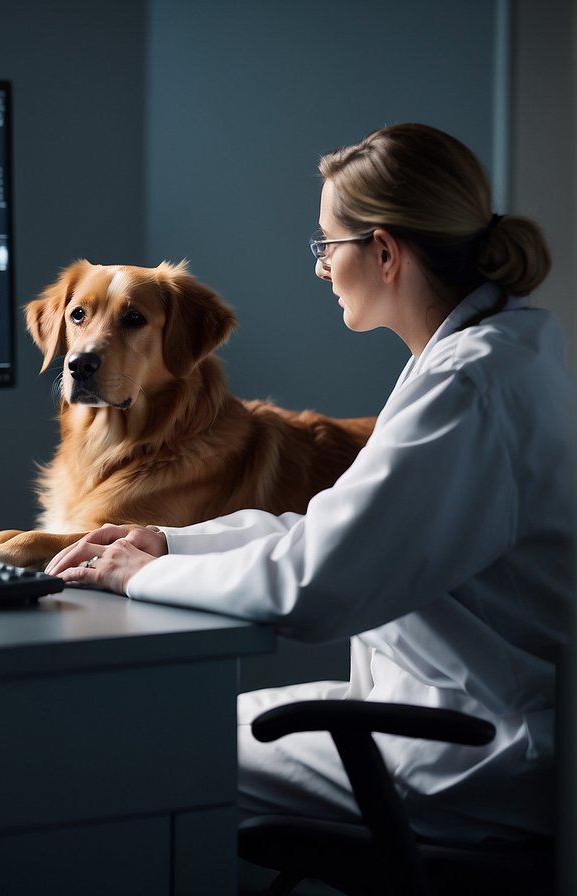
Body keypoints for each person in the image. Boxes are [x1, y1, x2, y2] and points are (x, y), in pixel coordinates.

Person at [47, 122, 573, 845]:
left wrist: (139, 578)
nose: (321, 268)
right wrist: (167, 543)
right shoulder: (488, 356)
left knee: (140, 752)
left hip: (473, 749)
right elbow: (334, 531)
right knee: (159, 725)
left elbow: (312, 588)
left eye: (327, 245)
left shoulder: (468, 388)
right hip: (436, 710)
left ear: (384, 252)